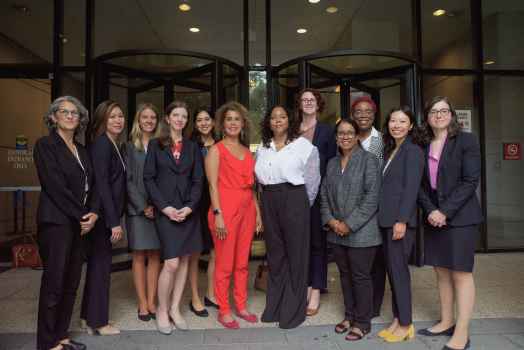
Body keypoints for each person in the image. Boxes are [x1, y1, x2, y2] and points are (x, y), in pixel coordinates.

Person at [417, 97, 483, 350]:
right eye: (434, 111)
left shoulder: (466, 140)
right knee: (441, 271)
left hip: (461, 218)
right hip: (434, 218)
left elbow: (470, 180)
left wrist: (444, 211)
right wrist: (431, 210)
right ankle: (446, 321)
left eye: (444, 110)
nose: (439, 115)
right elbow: (419, 185)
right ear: (427, 117)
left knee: (461, 273)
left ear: (452, 115)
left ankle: (462, 332)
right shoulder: (422, 143)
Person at [34, 96, 97, 350]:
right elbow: (55, 186)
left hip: (80, 224)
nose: (71, 116)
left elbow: (92, 187)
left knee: (71, 282)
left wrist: (94, 213)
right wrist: (82, 215)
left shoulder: (83, 150)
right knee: (54, 283)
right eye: (65, 112)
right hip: (57, 222)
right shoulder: (45, 145)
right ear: (53, 117)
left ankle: (61, 336)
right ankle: (47, 343)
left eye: (75, 113)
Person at [255, 105, 320, 329]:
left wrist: (299, 207)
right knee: (275, 255)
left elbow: (312, 183)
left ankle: (293, 311)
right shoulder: (264, 148)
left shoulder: (304, 146)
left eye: (282, 116)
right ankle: (275, 307)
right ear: (268, 122)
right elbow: (260, 181)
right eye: (273, 117)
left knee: (296, 255)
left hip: (295, 199)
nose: (278, 120)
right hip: (269, 199)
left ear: (289, 120)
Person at [143, 100, 204, 334]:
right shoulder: (156, 145)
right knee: (171, 263)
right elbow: (148, 179)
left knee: (185, 261)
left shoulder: (192, 147)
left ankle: (175, 309)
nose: (180, 119)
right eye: (176, 115)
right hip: (166, 212)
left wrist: (189, 207)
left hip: (188, 212)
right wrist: (164, 207)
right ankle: (161, 309)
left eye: (184, 116)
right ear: (167, 119)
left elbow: (198, 180)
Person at [320, 118, 381, 341]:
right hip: (336, 232)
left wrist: (349, 224)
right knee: (345, 276)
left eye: (350, 132)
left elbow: (371, 197)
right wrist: (332, 222)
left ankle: (363, 322)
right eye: (341, 133)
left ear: (357, 136)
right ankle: (350, 315)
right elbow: (324, 195)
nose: (345, 136)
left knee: (360, 276)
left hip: (362, 233)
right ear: (336, 137)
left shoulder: (369, 160)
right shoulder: (332, 163)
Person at [205, 101, 263, 329]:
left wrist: (257, 214)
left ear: (243, 124)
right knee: (224, 264)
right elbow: (212, 186)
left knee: (242, 263)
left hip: (248, 209)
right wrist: (218, 214)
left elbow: (251, 188)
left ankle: (241, 306)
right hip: (225, 210)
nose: (232, 123)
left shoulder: (248, 152)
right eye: (228, 119)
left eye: (236, 119)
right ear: (222, 123)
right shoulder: (215, 150)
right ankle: (224, 310)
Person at [376, 107, 424, 343]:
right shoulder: (392, 150)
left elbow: (411, 189)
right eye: (393, 120)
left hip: (399, 222)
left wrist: (402, 221)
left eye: (402, 121)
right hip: (387, 220)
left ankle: (406, 324)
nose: (396, 125)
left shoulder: (413, 151)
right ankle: (397, 318)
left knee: (399, 273)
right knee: (393, 273)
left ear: (411, 126)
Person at [81, 100, 126, 336]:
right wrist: (113, 222)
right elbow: (103, 186)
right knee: (100, 269)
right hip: (102, 218)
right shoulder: (102, 145)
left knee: (97, 268)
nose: (118, 120)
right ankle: (99, 322)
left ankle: (87, 317)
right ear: (102, 120)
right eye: (112, 117)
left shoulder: (112, 144)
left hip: (104, 215)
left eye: (120, 116)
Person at [296, 88, 337, 316]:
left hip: (318, 195)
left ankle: (316, 291)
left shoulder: (327, 131)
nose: (308, 103)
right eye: (304, 100)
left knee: (317, 244)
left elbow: (331, 165)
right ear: (299, 105)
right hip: (295, 196)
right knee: (299, 244)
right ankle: (304, 286)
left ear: (318, 104)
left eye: (312, 100)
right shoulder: (293, 131)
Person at [350, 95, 386, 318]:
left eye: (368, 111)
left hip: (375, 207)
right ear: (353, 115)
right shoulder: (348, 139)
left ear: (374, 115)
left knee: (375, 261)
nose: (363, 115)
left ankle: (373, 306)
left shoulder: (381, 140)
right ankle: (357, 303)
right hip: (351, 209)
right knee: (356, 262)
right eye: (358, 111)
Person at [125, 103, 162, 322]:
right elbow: (128, 180)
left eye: (153, 117)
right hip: (137, 209)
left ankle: (151, 301)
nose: (149, 120)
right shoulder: (129, 147)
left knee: (155, 255)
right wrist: (143, 206)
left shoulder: (161, 146)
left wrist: (157, 205)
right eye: (145, 117)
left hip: (158, 208)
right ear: (138, 120)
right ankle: (141, 303)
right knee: (139, 255)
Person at [188, 107, 219, 317]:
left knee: (216, 251)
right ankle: (195, 298)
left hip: (216, 202)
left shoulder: (221, 144)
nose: (203, 123)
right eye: (199, 120)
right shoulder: (190, 146)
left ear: (213, 122)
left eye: (207, 119)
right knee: (195, 253)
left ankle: (210, 294)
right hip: (196, 204)